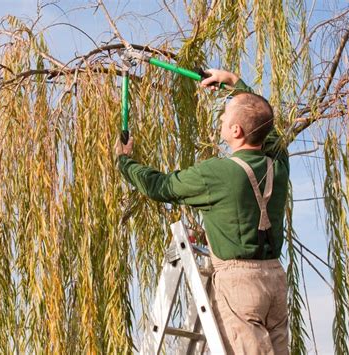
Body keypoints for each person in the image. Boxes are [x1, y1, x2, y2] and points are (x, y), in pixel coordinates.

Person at [114, 69, 289, 355]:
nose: (221, 117)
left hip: (239, 282)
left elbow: (161, 186)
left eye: (226, 114)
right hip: (275, 279)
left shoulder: (219, 173)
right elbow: (267, 126)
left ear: (236, 131)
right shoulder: (278, 166)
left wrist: (125, 162)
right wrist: (234, 84)